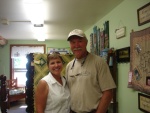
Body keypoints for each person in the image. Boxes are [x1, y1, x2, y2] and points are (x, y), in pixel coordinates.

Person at [65, 29, 116, 113]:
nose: (76, 45)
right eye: (73, 42)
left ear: (86, 42)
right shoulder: (69, 66)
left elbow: (108, 92)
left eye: (80, 41)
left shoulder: (99, 62)